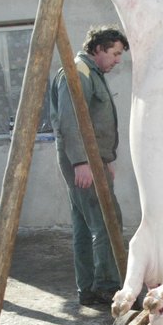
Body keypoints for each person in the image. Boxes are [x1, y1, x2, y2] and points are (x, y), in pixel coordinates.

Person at [50, 25, 129, 307]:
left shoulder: (90, 73)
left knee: (85, 225)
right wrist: (82, 163)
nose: (118, 60)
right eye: (115, 53)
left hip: (93, 160)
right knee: (107, 221)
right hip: (83, 162)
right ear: (98, 48)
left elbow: (93, 121)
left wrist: (104, 161)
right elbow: (70, 121)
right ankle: (106, 285)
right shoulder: (78, 73)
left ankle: (88, 288)